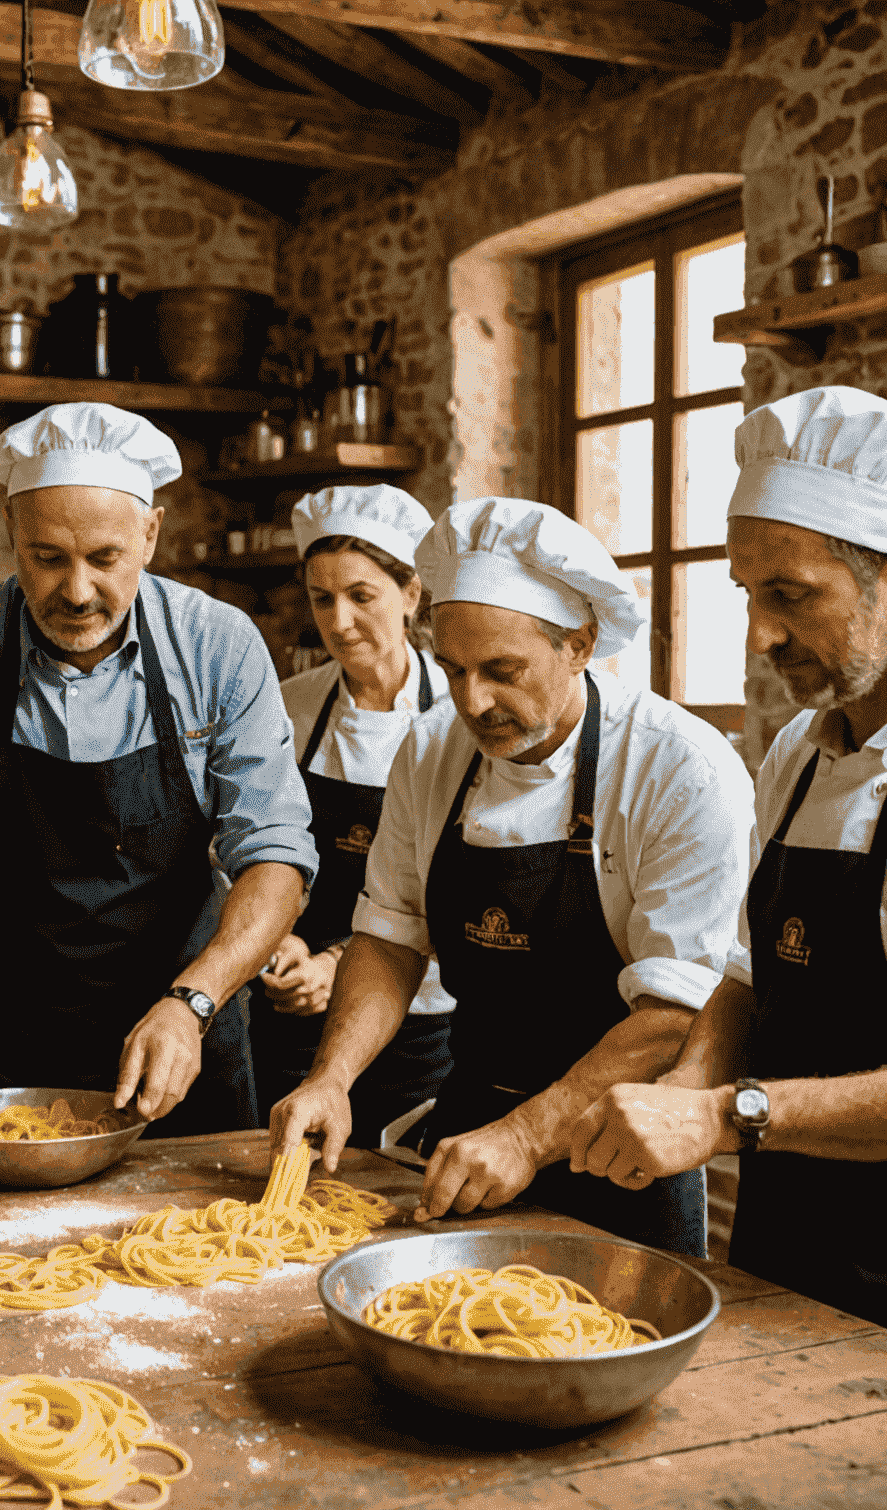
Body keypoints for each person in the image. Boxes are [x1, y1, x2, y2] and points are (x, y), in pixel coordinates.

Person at [272, 497, 755, 1256]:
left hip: (621, 1147)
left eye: (502, 671)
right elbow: (391, 936)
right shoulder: (431, 751)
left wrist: (528, 1137)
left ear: (581, 643)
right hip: (471, 1128)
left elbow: (675, 1014)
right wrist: (332, 1077)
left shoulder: (678, 768)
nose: (472, 702)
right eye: (453, 670)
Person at [0, 403, 317, 1139]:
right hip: (0, 1065)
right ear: (10, 532)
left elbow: (276, 851)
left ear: (150, 534)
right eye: (49, 558)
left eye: (105, 558)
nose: (78, 590)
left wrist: (194, 1001)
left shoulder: (218, 646)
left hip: (185, 1043)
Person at [571, 386, 887, 1319]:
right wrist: (686, 1083)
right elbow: (752, 975)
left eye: (792, 595)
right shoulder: (796, 753)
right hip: (791, 1240)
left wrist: (722, 1115)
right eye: (750, 595)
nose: (762, 636)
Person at [254, 484, 454, 1136]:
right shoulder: (287, 706)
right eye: (322, 598)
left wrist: (337, 968)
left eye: (361, 596)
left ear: (412, 595)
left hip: (417, 1021)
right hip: (287, 1016)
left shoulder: (460, 714)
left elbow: (456, 888)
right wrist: (275, 940)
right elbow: (244, 844)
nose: (338, 621)